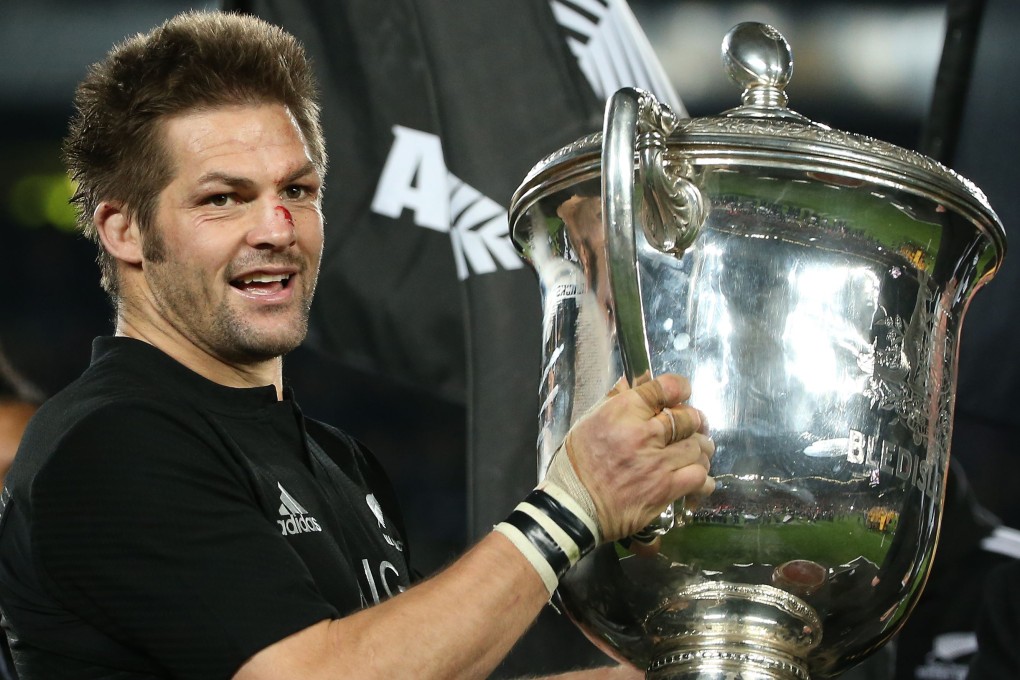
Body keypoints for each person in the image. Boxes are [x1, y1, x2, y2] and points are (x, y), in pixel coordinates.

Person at [0, 11, 714, 680]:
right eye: (224, 198)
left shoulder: (339, 462)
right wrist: (571, 505)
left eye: (299, 190)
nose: (277, 227)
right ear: (124, 231)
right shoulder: (111, 441)